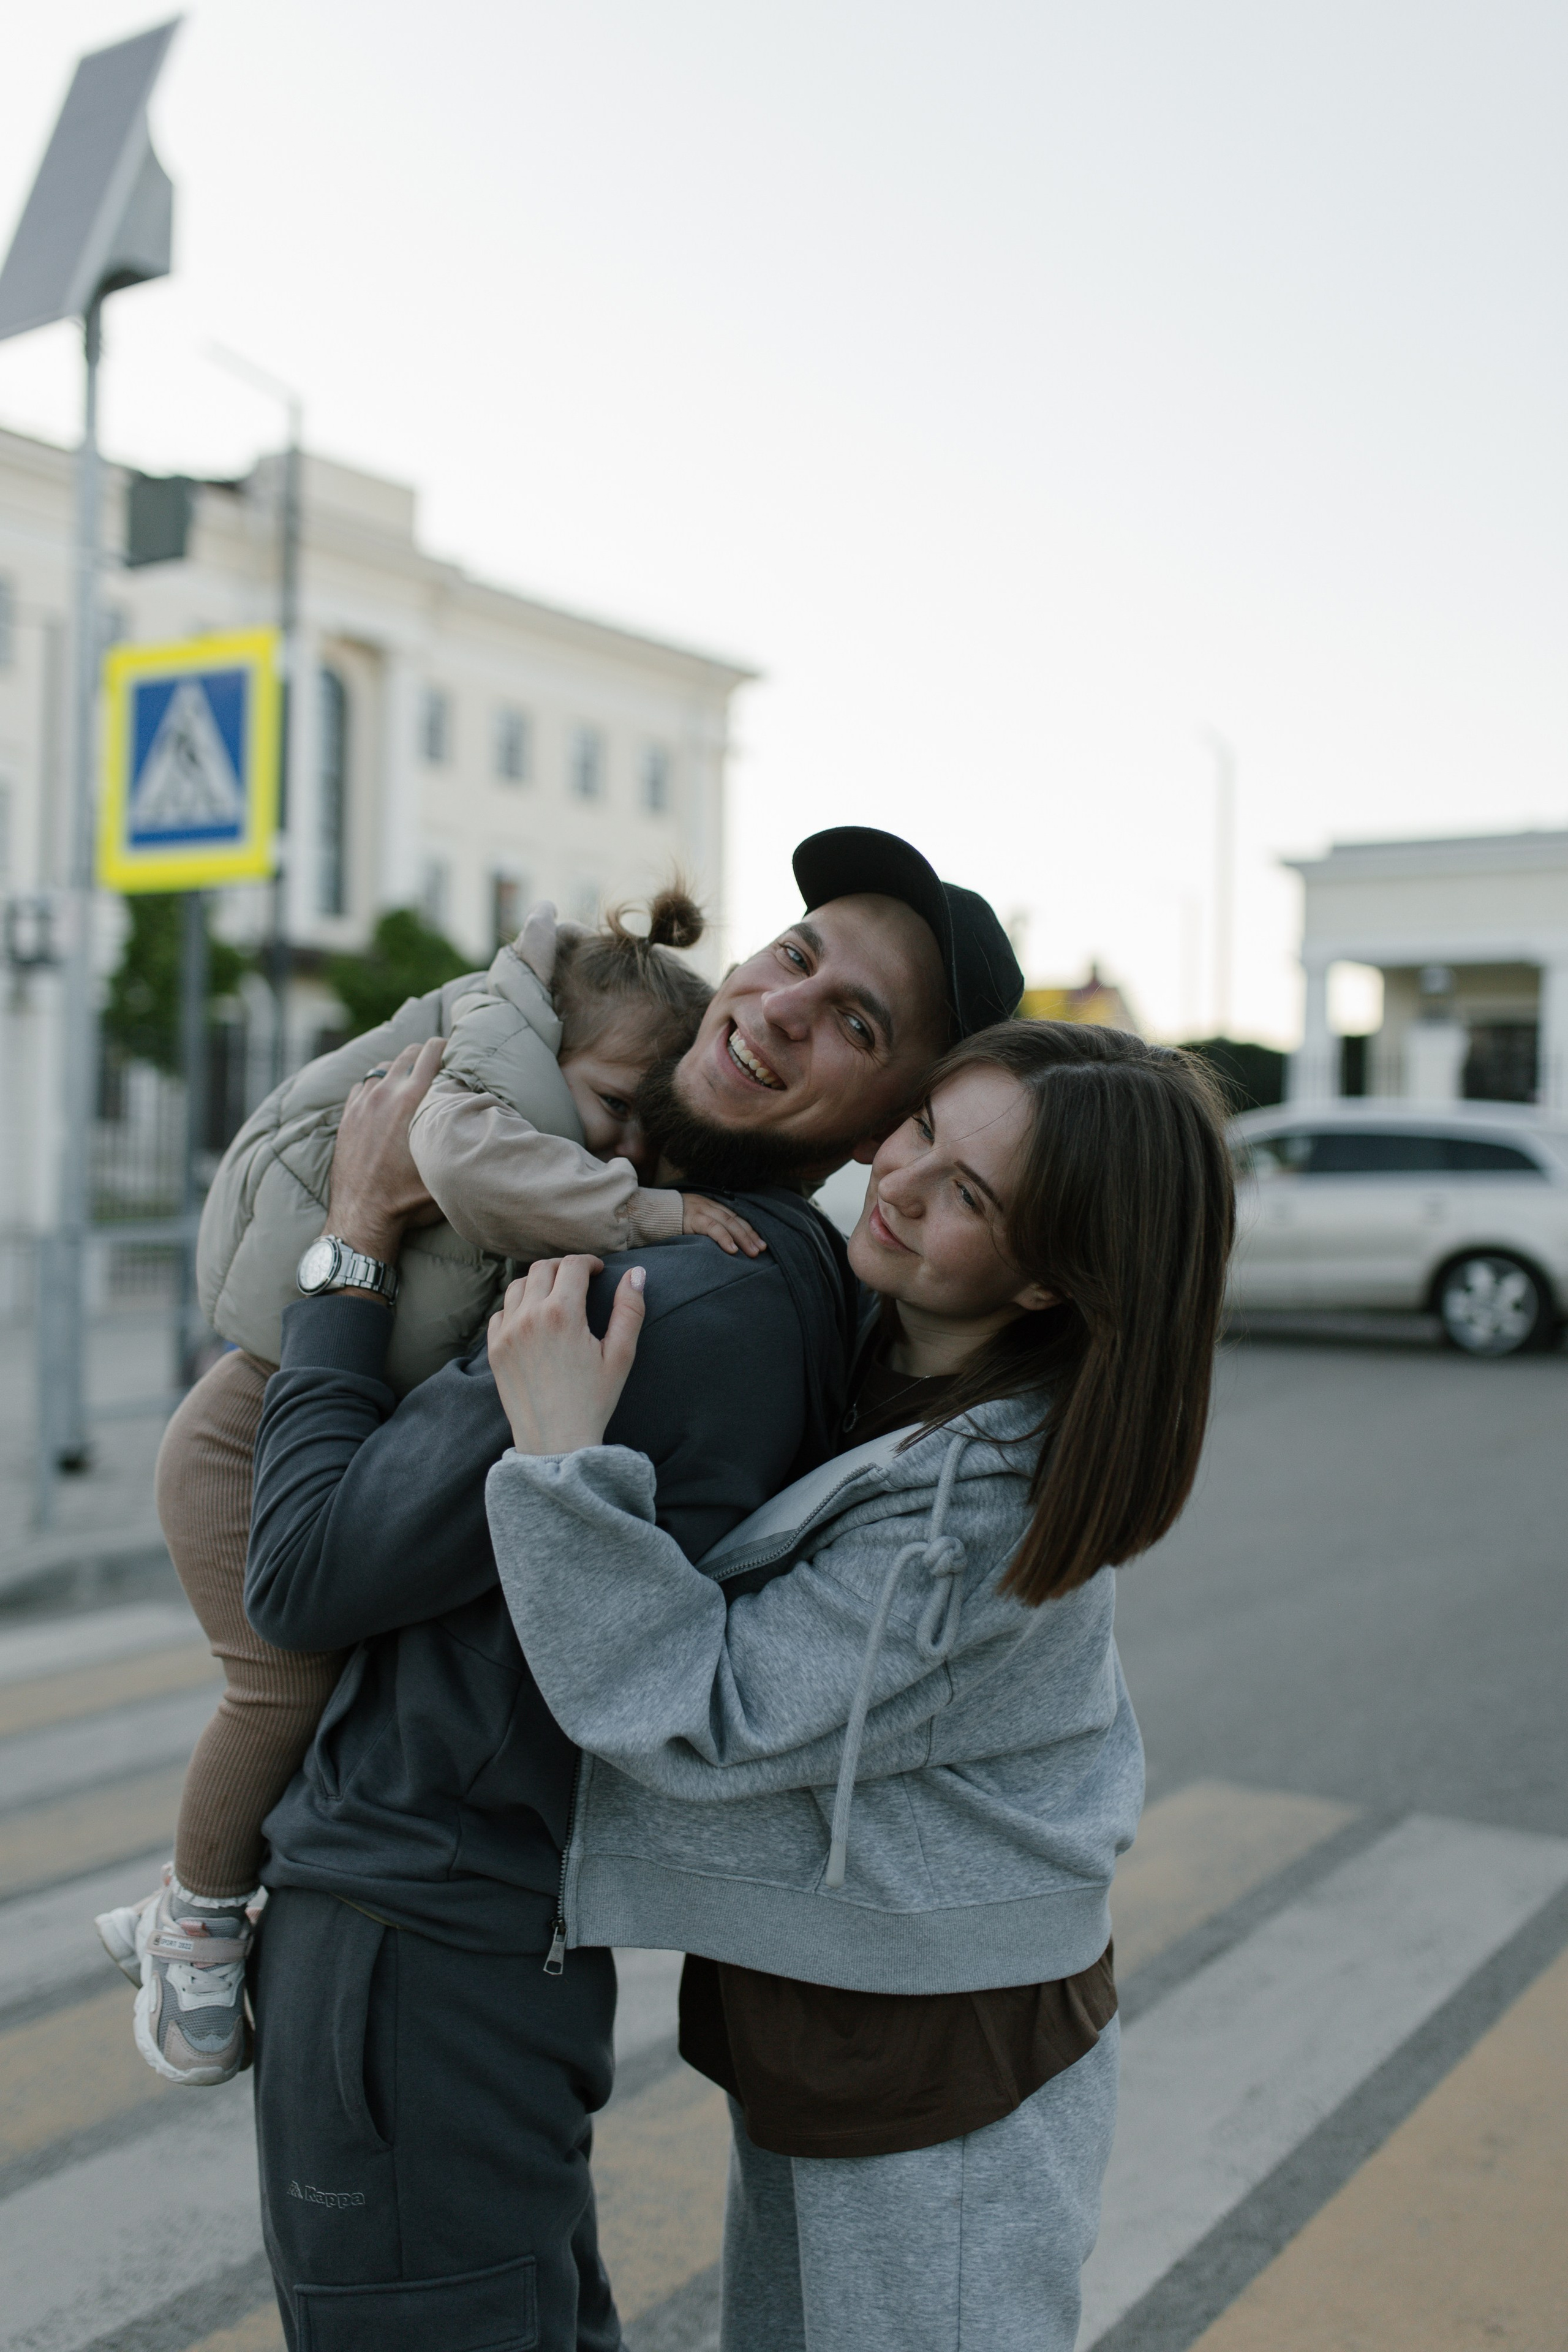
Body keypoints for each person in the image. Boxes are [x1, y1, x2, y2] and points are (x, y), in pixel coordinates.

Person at [239, 828, 1023, 2351]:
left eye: (859, 1024)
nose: (787, 1007)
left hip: (410, 1944)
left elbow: (296, 1572)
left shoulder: (668, 1292)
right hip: (505, 1937)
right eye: (797, 954)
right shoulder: (782, 1287)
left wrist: (352, 1241)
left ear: (892, 1116)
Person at [484, 1020, 1235, 2352]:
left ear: (1053, 1279)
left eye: (969, 1196)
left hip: (941, 2067)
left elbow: (704, 1716)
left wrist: (560, 1469)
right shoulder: (880, 1351)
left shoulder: (980, 1509)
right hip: (835, 2021)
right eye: (924, 1129)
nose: (899, 1180)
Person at [95, 889, 763, 2089]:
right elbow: (462, 1162)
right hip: (238, 1429)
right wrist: (648, 1212)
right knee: (279, 1688)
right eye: (610, 1107)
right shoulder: (483, 1072)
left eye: (639, 1137)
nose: (613, 1147)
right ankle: (192, 1922)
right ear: (554, 1038)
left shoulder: (535, 1065)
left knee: (321, 1683)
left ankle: (189, 1896)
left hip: (270, 1405)